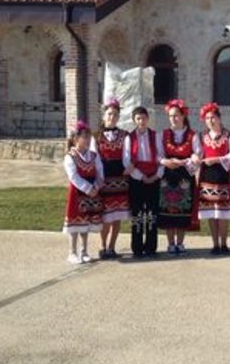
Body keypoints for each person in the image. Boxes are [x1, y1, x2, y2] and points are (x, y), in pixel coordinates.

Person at [196, 102, 230, 254]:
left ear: (219, 118)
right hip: (207, 177)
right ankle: (215, 244)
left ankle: (224, 244)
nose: (210, 121)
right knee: (211, 213)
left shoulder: (229, 135)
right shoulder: (202, 136)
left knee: (222, 213)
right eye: (207, 118)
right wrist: (196, 158)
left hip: (223, 176)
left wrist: (218, 159)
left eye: (213, 117)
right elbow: (198, 153)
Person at [158, 99, 200, 254]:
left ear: (183, 116)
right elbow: (158, 154)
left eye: (176, 115)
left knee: (183, 209)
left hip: (184, 176)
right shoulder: (163, 134)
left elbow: (197, 153)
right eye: (170, 116)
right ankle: (170, 243)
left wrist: (187, 160)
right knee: (168, 210)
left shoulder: (192, 135)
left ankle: (180, 243)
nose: (173, 119)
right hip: (168, 175)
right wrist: (165, 161)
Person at [123, 106, 164, 258]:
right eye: (138, 119)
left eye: (144, 118)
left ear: (148, 119)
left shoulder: (155, 136)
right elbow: (126, 161)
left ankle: (151, 247)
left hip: (153, 179)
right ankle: (137, 248)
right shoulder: (129, 138)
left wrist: (157, 175)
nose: (141, 121)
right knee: (138, 214)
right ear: (134, 120)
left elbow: (161, 157)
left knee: (152, 214)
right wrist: (141, 176)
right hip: (137, 180)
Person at [91, 99, 130, 259]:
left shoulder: (124, 135)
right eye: (109, 114)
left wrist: (128, 170)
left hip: (120, 180)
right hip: (104, 181)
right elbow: (94, 158)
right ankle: (103, 246)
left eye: (115, 114)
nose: (112, 117)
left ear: (118, 117)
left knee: (117, 216)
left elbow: (126, 156)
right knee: (106, 217)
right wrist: (99, 179)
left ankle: (112, 247)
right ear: (103, 115)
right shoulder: (96, 136)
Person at [63, 121, 104, 264]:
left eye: (88, 137)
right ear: (76, 139)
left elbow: (100, 172)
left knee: (86, 223)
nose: (87, 140)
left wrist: (96, 187)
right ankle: (72, 252)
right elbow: (73, 176)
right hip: (77, 193)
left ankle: (84, 251)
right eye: (84, 137)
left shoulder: (93, 156)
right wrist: (88, 188)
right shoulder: (70, 156)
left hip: (92, 192)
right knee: (75, 223)